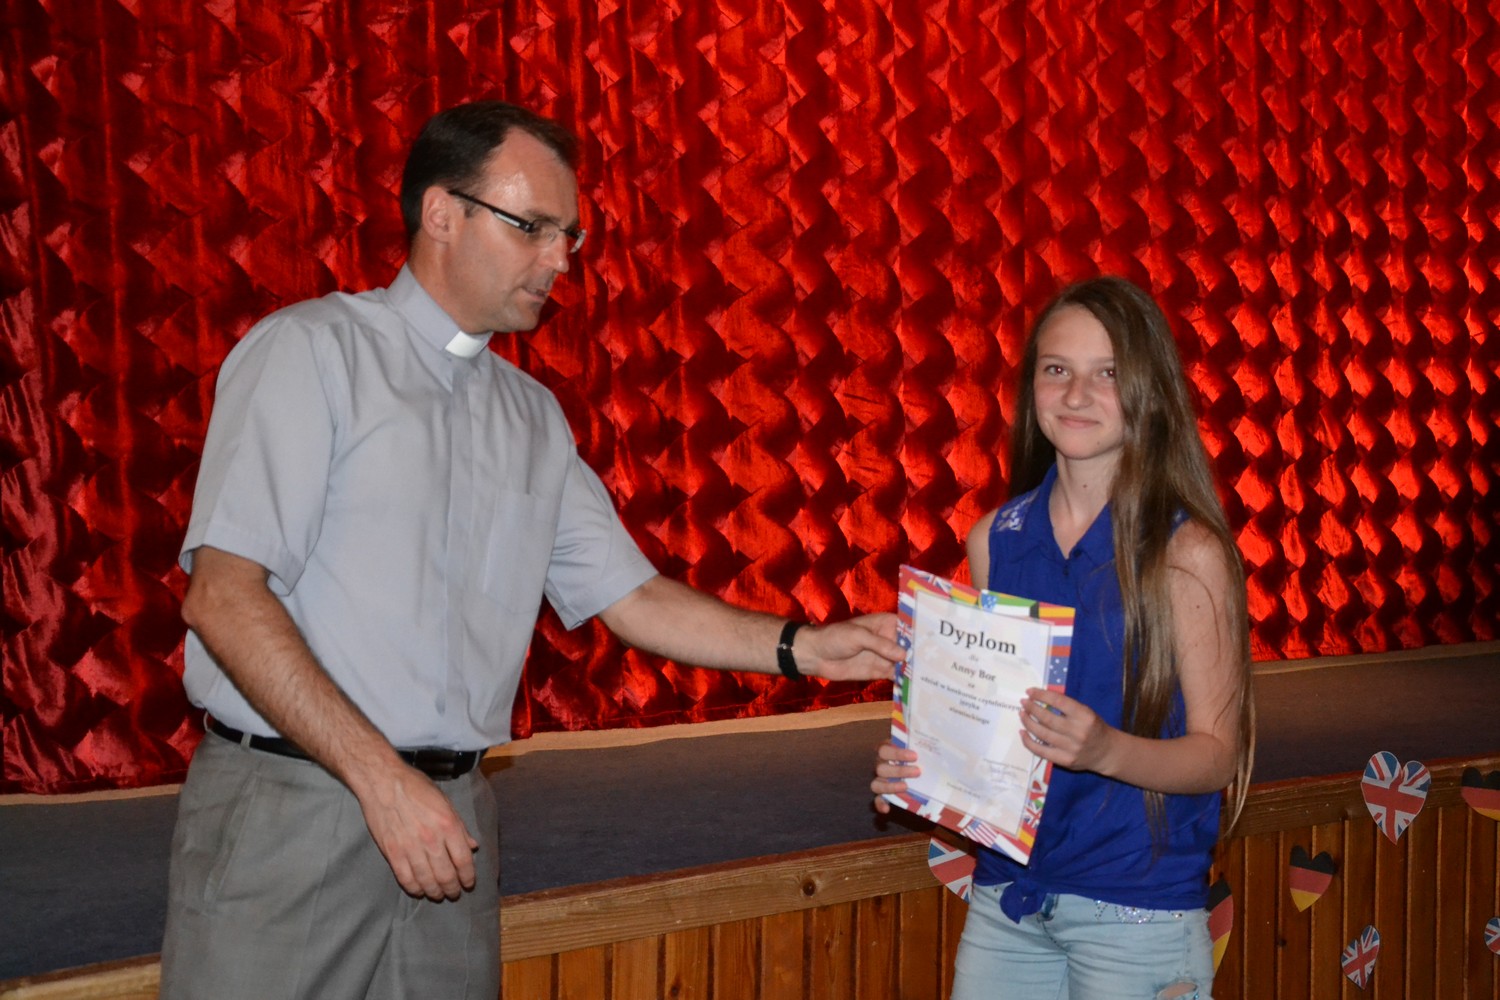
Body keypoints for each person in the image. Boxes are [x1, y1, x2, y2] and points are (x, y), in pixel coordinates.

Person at [161, 100, 904, 1000]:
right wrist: (381, 782)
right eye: (533, 228)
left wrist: (805, 647)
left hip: (454, 819)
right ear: (442, 213)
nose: (560, 261)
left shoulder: (532, 416)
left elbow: (631, 597)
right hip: (298, 805)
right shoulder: (311, 352)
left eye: (569, 237)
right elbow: (224, 595)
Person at [872, 276, 1254, 1000]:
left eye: (1107, 373)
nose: (1077, 394)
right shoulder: (996, 538)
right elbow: (995, 728)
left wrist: (1107, 750)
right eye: (1057, 369)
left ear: (1150, 391)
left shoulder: (1188, 554)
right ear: (1031, 388)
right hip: (1008, 897)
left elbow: (1217, 756)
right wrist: (925, 770)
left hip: (1135, 910)